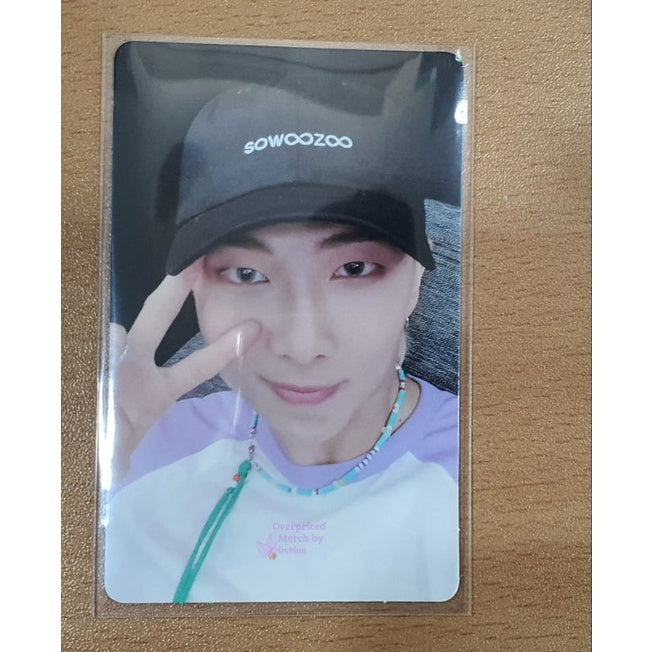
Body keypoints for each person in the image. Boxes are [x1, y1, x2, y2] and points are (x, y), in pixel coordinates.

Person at [103, 83, 460, 604]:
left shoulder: (486, 466)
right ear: (193, 288)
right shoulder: (135, 442)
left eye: (353, 268)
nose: (301, 345)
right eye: (247, 274)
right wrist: (77, 478)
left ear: (415, 281)